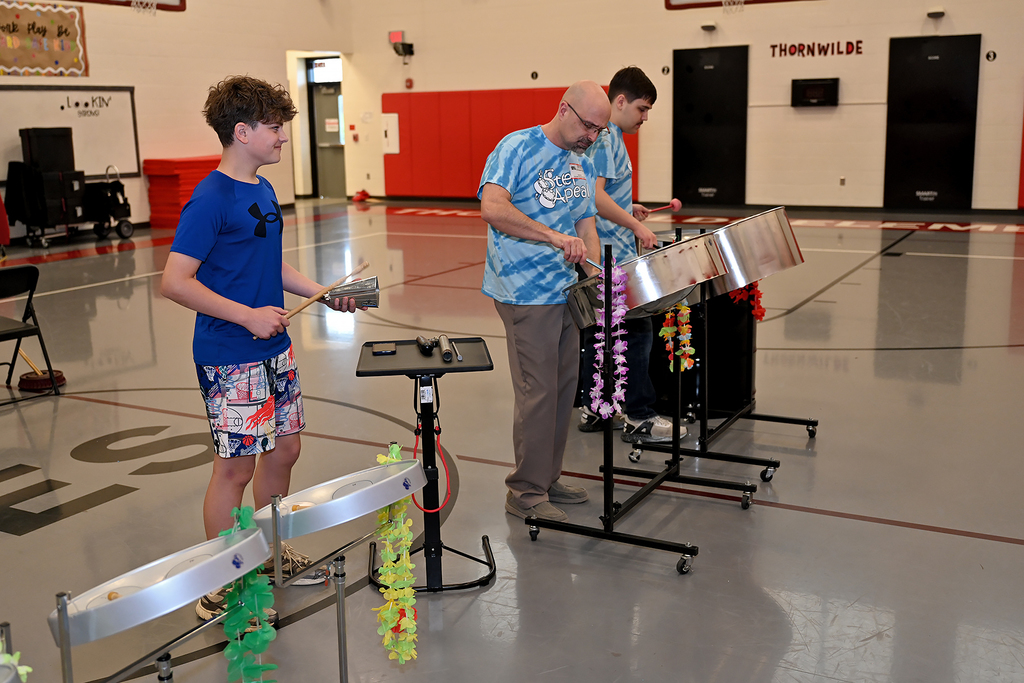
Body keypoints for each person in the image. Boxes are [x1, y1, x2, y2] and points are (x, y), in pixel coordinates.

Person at [160, 75, 359, 622]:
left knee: (286, 449)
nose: (283, 139)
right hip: (231, 353)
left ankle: (267, 553)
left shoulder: (264, 190)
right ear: (242, 132)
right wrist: (247, 315)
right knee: (235, 470)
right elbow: (175, 282)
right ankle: (221, 577)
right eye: (275, 129)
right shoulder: (210, 198)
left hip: (274, 349)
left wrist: (322, 294)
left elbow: (269, 264)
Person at [479, 80, 610, 523]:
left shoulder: (581, 162)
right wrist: (552, 236)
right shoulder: (516, 147)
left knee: (561, 388)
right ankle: (525, 491)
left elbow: (585, 221)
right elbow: (493, 207)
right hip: (523, 292)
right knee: (537, 393)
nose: (592, 137)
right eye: (588, 126)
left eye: (600, 131)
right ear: (564, 109)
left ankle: (547, 477)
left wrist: (591, 267)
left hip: (565, 291)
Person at [578, 66, 685, 444]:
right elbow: (594, 197)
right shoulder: (606, 138)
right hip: (610, 254)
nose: (645, 117)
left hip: (606, 250)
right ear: (619, 101)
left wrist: (629, 207)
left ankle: (596, 407)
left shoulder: (612, 137)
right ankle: (639, 415)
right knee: (637, 333)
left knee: (600, 334)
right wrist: (636, 226)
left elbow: (606, 194)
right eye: (642, 108)